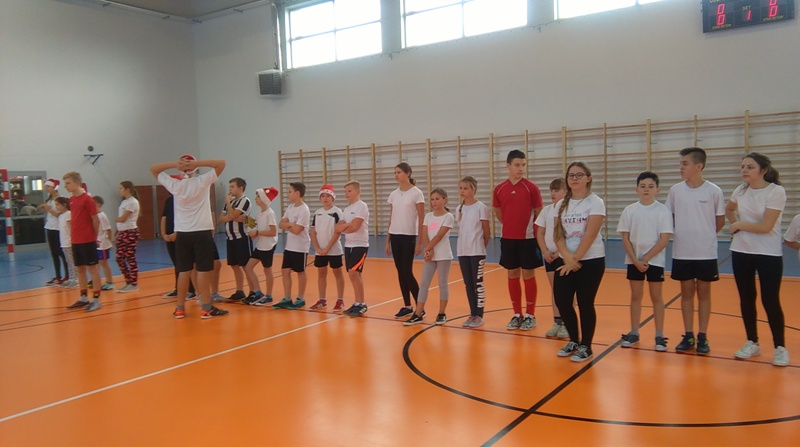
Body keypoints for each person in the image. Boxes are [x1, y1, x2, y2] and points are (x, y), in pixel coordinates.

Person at [726, 153, 789, 366]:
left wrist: (739, 225)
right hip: (741, 250)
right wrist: (734, 223)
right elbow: (729, 209)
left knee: (770, 299)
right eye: (742, 166)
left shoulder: (775, 191)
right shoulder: (741, 190)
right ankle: (752, 342)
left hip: (768, 253)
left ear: (763, 170)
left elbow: (766, 226)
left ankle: (780, 347)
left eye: (750, 167)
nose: (744, 170)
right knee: (746, 297)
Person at [150, 155, 229, 319]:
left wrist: (176, 164)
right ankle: (206, 308)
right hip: (201, 232)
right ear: (195, 168)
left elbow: (154, 169)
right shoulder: (202, 181)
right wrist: (195, 164)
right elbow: (221, 163)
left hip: (183, 233)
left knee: (184, 271)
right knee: (203, 271)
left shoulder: (175, 185)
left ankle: (180, 308)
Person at [666, 147, 725, 354]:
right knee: (686, 292)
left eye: (685, 163)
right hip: (682, 251)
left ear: (698, 166)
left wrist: (704, 235)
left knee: (704, 293)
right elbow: (669, 217)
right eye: (680, 163)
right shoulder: (675, 191)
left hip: (705, 252)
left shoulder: (714, 191)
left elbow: (719, 221)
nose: (680, 167)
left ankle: (703, 335)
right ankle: (689, 334)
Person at [553, 162, 606, 362]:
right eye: (571, 175)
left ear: (588, 178)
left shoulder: (595, 202)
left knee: (585, 303)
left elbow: (590, 234)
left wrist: (574, 259)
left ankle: (586, 346)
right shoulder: (561, 204)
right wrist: (567, 257)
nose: (574, 178)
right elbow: (558, 234)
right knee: (562, 301)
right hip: (566, 260)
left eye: (579, 175)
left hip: (591, 261)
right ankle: (574, 340)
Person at [617, 172, 673, 351]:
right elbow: (625, 238)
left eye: (650, 186)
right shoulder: (629, 210)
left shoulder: (663, 211)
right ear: (637, 189)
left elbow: (664, 239)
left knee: (656, 297)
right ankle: (634, 332)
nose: (646, 190)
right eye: (642, 186)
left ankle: (659, 335)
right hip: (633, 261)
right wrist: (635, 260)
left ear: (657, 189)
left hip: (654, 261)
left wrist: (646, 258)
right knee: (636, 296)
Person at [493, 149, 544, 331]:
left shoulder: (531, 188)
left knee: (528, 274)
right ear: (508, 166)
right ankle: (517, 314)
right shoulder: (499, 189)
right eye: (517, 165)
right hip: (508, 239)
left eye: (523, 165)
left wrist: (533, 232)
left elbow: (539, 211)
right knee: (512, 273)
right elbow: (498, 211)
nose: (521, 168)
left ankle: (530, 314)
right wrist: (510, 225)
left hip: (528, 239)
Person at [405, 188, 454, 325]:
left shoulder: (448, 217)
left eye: (437, 199)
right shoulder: (428, 216)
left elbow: (439, 235)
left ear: (445, 200)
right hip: (430, 256)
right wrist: (428, 250)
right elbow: (425, 233)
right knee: (424, 283)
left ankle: (442, 313)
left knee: (442, 283)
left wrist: (427, 248)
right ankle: (418, 313)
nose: (434, 202)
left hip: (443, 255)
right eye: (432, 199)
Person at [386, 162, 425, 319]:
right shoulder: (393, 194)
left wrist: (420, 242)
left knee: (407, 271)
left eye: (399, 172)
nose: (396, 175)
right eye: (395, 172)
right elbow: (392, 217)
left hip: (409, 236)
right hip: (395, 236)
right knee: (400, 272)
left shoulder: (417, 193)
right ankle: (407, 306)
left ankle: (420, 307)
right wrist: (387, 240)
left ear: (408, 173)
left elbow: (422, 219)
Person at [62, 171, 103, 312]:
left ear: (77, 183)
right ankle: (83, 297)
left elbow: (95, 219)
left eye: (68, 183)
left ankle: (96, 299)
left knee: (92, 269)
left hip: (87, 239)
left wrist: (94, 237)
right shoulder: (71, 200)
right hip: (76, 240)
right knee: (80, 269)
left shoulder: (87, 200)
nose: (65, 186)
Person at [535, 178, 570, 339]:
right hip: (549, 256)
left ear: (566, 192)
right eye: (551, 190)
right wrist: (544, 251)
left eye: (557, 190)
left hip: (563, 255)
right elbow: (540, 233)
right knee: (555, 289)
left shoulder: (569, 210)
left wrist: (559, 252)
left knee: (567, 291)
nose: (553, 193)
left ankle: (568, 323)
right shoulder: (547, 210)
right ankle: (557, 321)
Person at [455, 176, 490, 328]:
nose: (462, 191)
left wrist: (481, 247)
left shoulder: (481, 208)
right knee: (468, 284)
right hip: (463, 251)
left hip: (476, 251)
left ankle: (479, 315)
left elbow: (486, 231)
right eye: (461, 188)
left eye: (466, 188)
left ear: (473, 189)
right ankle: (472, 314)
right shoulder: (459, 208)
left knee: (478, 283)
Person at [274, 182, 311, 310]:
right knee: (285, 271)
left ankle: (300, 298)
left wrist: (288, 225)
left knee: (300, 271)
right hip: (289, 246)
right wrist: (291, 224)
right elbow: (280, 224)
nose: (288, 194)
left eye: (290, 192)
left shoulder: (304, 210)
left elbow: (297, 230)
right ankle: (287, 298)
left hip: (300, 246)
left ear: (297, 193)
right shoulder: (290, 207)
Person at [308, 185, 346, 312]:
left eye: (328, 196)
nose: (325, 198)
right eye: (323, 196)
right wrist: (317, 247)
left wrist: (328, 248)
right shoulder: (317, 212)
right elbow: (313, 231)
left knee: (337, 273)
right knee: (321, 273)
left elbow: (337, 232)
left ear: (333, 198)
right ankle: (322, 300)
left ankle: (340, 300)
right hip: (320, 251)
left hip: (334, 250)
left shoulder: (337, 212)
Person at [336, 180, 370, 317]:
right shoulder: (346, 210)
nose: (347, 194)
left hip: (360, 245)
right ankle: (357, 303)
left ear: (357, 191)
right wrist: (347, 225)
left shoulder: (362, 206)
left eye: (349, 191)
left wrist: (346, 227)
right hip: (348, 245)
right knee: (355, 275)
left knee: (353, 273)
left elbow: (355, 227)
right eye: (345, 192)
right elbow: (337, 228)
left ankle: (362, 304)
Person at [242, 187, 279, 306]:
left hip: (268, 246)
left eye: (258, 196)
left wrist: (257, 232)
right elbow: (257, 225)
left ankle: (269, 296)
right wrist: (247, 221)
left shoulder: (270, 213)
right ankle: (258, 292)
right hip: (260, 246)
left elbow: (273, 232)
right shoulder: (259, 213)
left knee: (267, 270)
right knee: (248, 267)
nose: (255, 198)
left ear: (264, 199)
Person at [218, 177, 253, 302]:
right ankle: (239, 291)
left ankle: (253, 291)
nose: (230, 189)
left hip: (242, 238)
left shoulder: (245, 200)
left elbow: (232, 215)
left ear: (240, 188)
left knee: (246, 266)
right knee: (234, 265)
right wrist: (232, 217)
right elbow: (221, 219)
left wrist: (229, 209)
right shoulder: (231, 201)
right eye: (230, 187)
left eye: (232, 186)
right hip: (230, 238)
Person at [160, 186, 196, 299]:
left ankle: (192, 290)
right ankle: (178, 288)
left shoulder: (184, 200)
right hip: (169, 236)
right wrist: (163, 234)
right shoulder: (169, 200)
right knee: (177, 263)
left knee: (186, 263)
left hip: (181, 235)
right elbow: (164, 218)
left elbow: (185, 218)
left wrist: (177, 233)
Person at [40, 179, 69, 285]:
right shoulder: (50, 199)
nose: (46, 188)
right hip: (50, 227)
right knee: (54, 253)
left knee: (61, 253)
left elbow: (58, 214)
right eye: (46, 186)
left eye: (48, 186)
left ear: (54, 187)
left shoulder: (59, 199)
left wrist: (49, 209)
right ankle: (58, 275)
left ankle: (67, 275)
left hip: (57, 228)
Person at [115, 181, 140, 293]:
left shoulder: (132, 202)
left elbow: (123, 218)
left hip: (130, 232)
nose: (119, 190)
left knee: (130, 258)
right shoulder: (124, 202)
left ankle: (134, 283)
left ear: (127, 189)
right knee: (119, 258)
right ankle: (128, 281)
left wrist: (116, 219)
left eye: (121, 188)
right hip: (123, 232)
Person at [54, 197, 78, 289]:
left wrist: (72, 239)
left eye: (58, 204)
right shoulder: (61, 216)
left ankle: (75, 279)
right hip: (63, 241)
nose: (56, 207)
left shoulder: (68, 214)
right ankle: (71, 278)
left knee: (72, 261)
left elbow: (72, 227)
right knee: (68, 261)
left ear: (64, 205)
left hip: (69, 241)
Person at [93, 196, 116, 290]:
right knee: (97, 264)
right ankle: (96, 281)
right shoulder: (95, 216)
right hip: (96, 243)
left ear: (98, 204)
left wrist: (109, 242)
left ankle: (110, 282)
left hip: (102, 244)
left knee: (104, 264)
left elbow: (109, 230)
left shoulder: (102, 216)